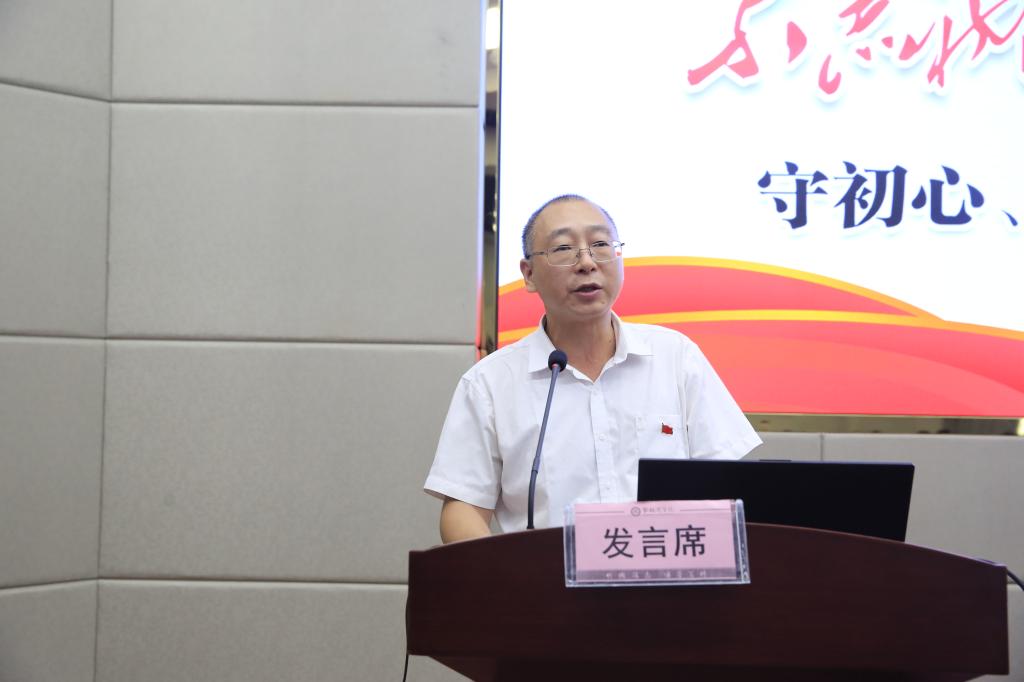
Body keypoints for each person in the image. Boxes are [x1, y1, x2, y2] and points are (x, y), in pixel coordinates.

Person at [424, 194, 761, 543]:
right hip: (548, 577)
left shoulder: (675, 357)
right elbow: (463, 510)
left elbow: (729, 487)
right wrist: (509, 573)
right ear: (529, 274)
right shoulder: (490, 383)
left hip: (668, 572)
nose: (586, 262)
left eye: (600, 244)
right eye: (563, 249)